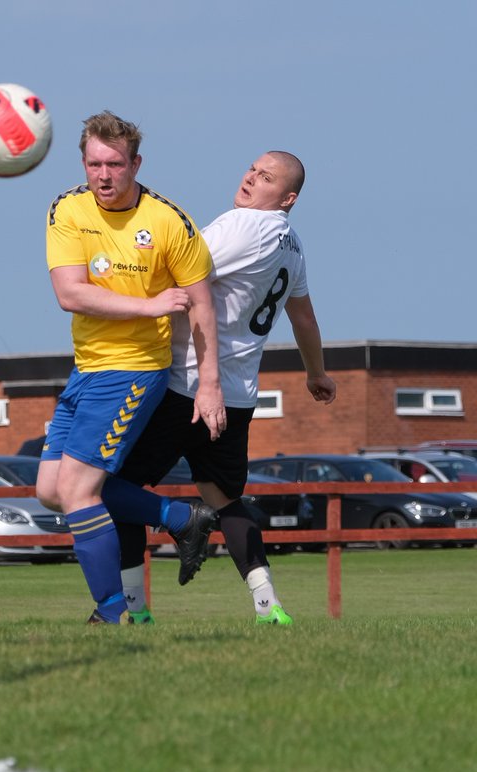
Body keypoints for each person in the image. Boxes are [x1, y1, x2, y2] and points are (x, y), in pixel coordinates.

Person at [106, 151, 336, 625]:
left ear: (287, 198)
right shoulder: (292, 246)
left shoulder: (243, 225)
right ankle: (268, 605)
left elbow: (180, 271)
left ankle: (133, 609)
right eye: (252, 169)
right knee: (224, 499)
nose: (252, 178)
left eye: (267, 177)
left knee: (112, 487)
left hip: (184, 384)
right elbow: (305, 317)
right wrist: (316, 372)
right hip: (237, 397)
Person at [34, 111, 225, 625]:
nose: (103, 175)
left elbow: (203, 306)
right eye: (94, 163)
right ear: (83, 162)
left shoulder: (169, 221)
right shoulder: (68, 209)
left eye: (115, 164)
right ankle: (182, 518)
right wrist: (150, 304)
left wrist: (210, 384)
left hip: (135, 371)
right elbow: (69, 293)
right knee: (50, 489)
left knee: (77, 491)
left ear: (135, 163)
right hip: (87, 368)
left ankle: (112, 615)